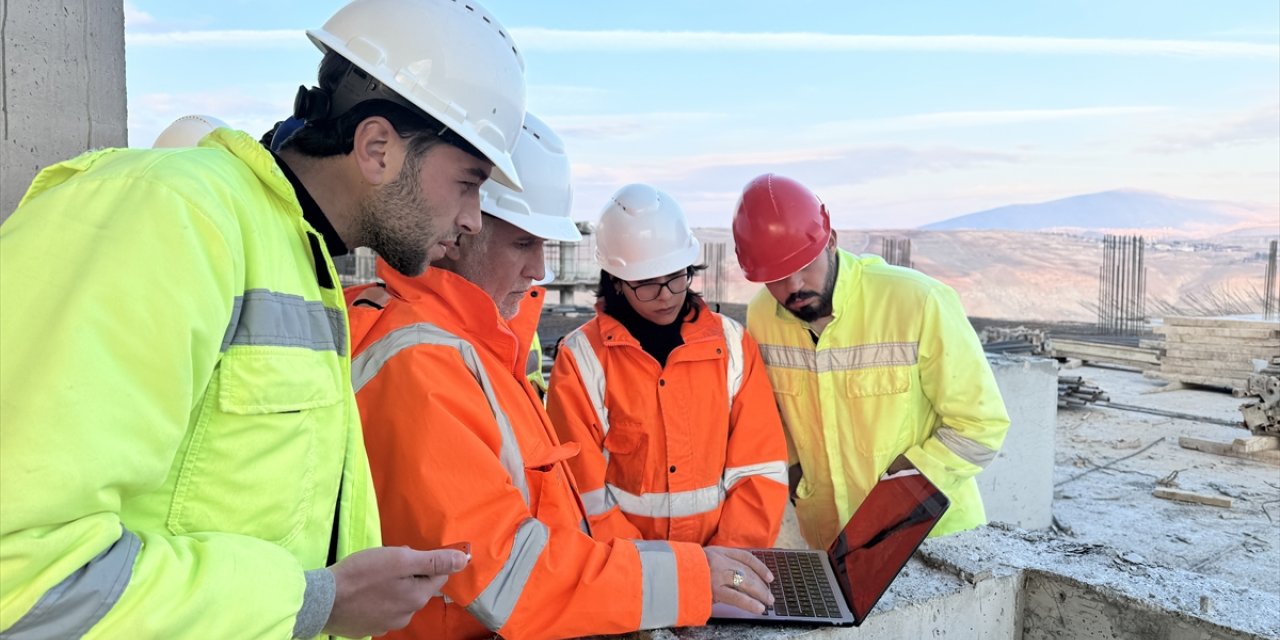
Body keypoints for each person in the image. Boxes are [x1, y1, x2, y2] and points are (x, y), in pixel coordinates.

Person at [0, 0, 526, 636]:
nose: (472, 219)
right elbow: (25, 576)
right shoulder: (168, 214)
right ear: (379, 147)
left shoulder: (295, 257)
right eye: (468, 182)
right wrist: (319, 602)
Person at [346, 116, 776, 639]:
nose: (539, 271)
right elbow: (510, 571)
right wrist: (683, 580)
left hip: (596, 596)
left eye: (676, 278)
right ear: (460, 230)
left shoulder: (478, 347)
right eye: (524, 244)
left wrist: (704, 573)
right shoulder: (422, 362)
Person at [730, 173, 1012, 551]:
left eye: (803, 266)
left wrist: (907, 488)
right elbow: (776, 419)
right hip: (833, 543)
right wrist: (796, 473)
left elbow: (981, 425)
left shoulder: (916, 301)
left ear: (830, 240)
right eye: (776, 277)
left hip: (932, 542)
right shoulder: (763, 316)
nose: (794, 286)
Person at [545, 184, 789, 548]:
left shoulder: (734, 346)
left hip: (723, 573)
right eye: (646, 284)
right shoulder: (582, 358)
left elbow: (760, 470)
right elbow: (581, 493)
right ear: (616, 282)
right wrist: (658, 575)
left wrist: (726, 567)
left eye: (676, 277)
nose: (665, 296)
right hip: (628, 577)